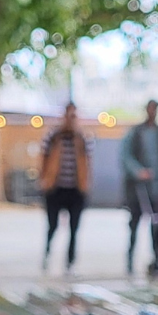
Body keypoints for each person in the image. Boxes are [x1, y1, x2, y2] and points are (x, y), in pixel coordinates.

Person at [121, 99, 158, 276]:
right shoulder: (136, 133)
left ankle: (157, 261)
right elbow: (126, 156)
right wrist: (138, 172)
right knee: (134, 225)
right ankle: (130, 262)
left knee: (157, 226)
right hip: (138, 190)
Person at [40, 102, 91, 272]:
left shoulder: (83, 139)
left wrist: (86, 185)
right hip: (55, 189)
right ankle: (47, 253)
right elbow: (43, 159)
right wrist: (45, 181)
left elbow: (87, 163)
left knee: (74, 228)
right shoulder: (53, 137)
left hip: (76, 189)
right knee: (52, 225)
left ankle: (70, 261)